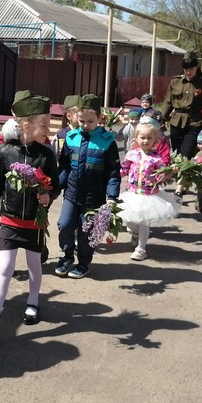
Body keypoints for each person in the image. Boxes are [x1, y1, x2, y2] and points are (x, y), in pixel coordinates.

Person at [0, 91, 60, 341]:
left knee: (34, 265)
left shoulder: (47, 155)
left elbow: (56, 185)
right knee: (5, 268)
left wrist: (49, 196)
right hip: (10, 220)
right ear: (26, 126)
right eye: (44, 125)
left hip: (34, 221)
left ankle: (32, 303)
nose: (48, 130)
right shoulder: (5, 152)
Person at [55, 94, 121, 279]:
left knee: (86, 231)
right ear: (76, 117)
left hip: (94, 197)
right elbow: (64, 166)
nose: (85, 125)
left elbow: (113, 173)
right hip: (71, 193)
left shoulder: (107, 141)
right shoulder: (71, 138)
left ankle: (83, 263)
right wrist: (55, 186)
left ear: (99, 118)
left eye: (90, 121)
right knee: (65, 225)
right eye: (81, 120)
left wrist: (112, 197)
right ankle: (67, 256)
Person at [157, 51, 202, 196]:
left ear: (196, 67)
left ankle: (180, 186)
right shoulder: (175, 81)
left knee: (186, 153)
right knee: (177, 153)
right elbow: (168, 102)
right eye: (185, 68)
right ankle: (183, 180)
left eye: (191, 68)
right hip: (176, 121)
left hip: (194, 122)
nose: (188, 71)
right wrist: (161, 120)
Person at [118, 118, 179, 261]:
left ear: (155, 140)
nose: (145, 141)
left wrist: (170, 172)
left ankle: (141, 249)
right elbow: (123, 169)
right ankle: (135, 233)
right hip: (132, 194)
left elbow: (162, 177)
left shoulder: (157, 159)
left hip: (149, 196)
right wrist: (111, 176)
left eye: (149, 138)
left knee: (144, 223)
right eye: (142, 137)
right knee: (130, 222)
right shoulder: (131, 154)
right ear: (136, 138)